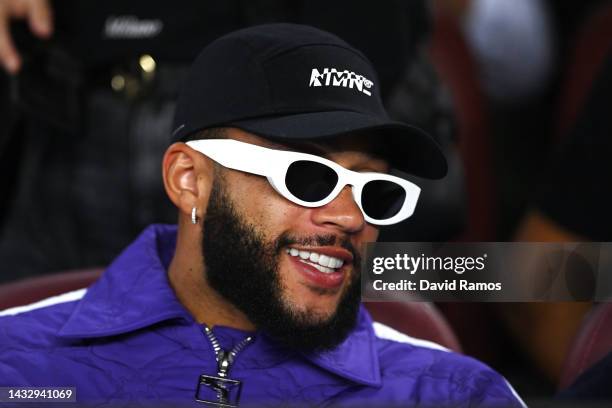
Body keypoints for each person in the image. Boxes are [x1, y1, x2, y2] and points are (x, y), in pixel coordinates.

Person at [0, 24, 524, 407]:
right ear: (190, 180)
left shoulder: (452, 395)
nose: (347, 216)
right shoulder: (15, 364)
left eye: (375, 191)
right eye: (307, 177)